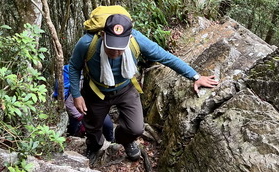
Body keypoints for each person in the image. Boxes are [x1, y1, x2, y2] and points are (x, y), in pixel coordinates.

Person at [69, 13, 218, 163]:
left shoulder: (137, 40)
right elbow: (74, 67)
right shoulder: (87, 44)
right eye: (111, 47)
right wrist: (76, 95)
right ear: (103, 35)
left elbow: (165, 57)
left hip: (125, 88)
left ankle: (125, 140)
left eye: (120, 48)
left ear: (129, 38)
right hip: (96, 91)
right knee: (92, 126)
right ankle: (94, 146)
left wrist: (195, 76)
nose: (115, 53)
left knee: (136, 128)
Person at [54, 64, 114, 141]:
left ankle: (111, 142)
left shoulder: (98, 82)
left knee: (108, 124)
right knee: (76, 129)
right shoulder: (78, 86)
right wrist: (81, 118)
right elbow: (69, 104)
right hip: (77, 111)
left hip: (94, 109)